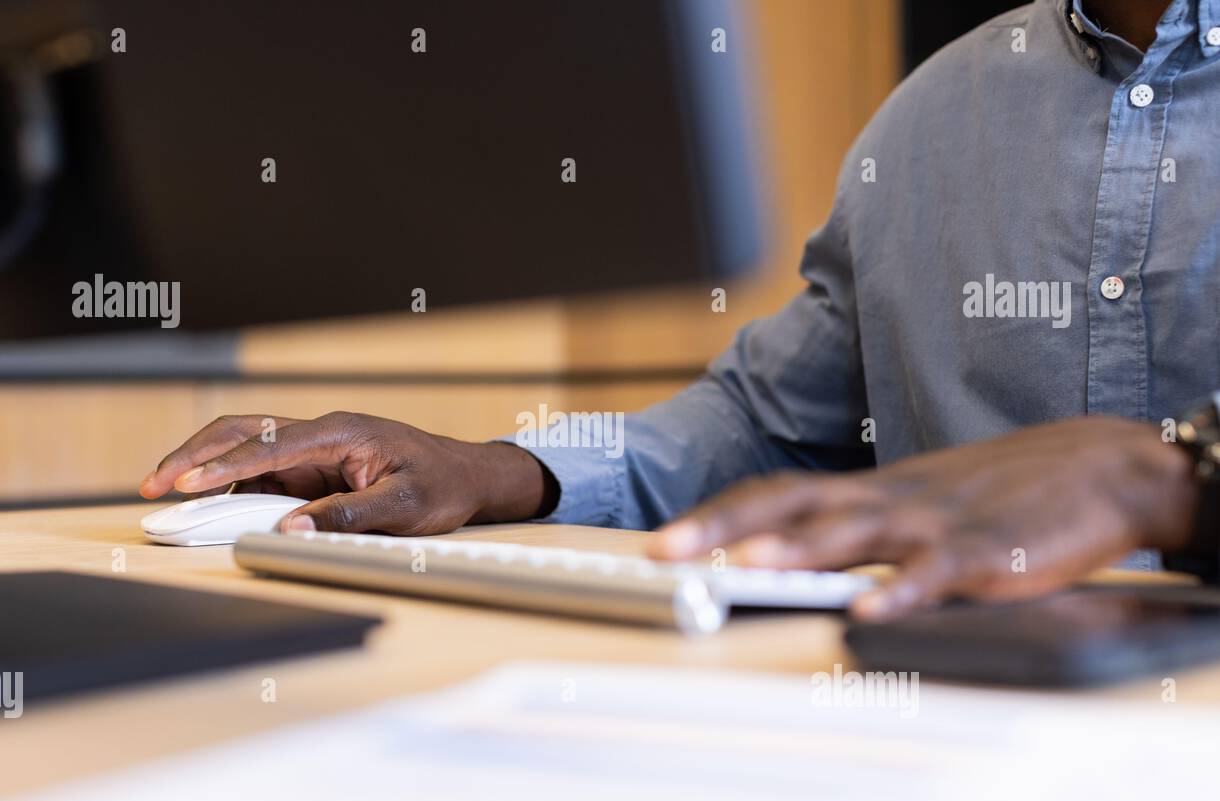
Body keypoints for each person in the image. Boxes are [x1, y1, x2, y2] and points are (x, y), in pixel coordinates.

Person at [141, 0, 1220, 620]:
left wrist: (1178, 483)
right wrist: (502, 470)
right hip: (949, 708)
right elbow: (766, 421)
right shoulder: (937, 107)